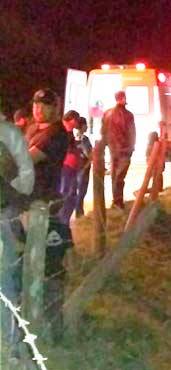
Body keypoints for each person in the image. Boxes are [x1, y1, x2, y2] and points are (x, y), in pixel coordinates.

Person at [26, 88, 73, 340]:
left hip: (43, 207)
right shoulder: (34, 130)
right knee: (25, 264)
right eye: (35, 103)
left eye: (43, 105)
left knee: (49, 267)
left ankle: (53, 330)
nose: (37, 108)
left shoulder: (55, 133)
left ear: (55, 108)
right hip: (26, 205)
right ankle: (27, 322)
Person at [0, 116, 34, 355]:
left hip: (4, 213)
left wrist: (18, 207)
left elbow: (25, 175)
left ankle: (14, 344)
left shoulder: (9, 134)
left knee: (6, 278)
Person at [101, 90, 136, 209]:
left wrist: (105, 144)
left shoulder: (107, 113)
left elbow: (103, 131)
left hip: (113, 149)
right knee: (120, 177)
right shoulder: (128, 115)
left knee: (115, 175)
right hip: (124, 149)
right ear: (122, 98)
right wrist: (131, 147)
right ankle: (118, 201)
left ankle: (116, 200)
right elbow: (132, 133)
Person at [57, 110, 82, 225]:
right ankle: (61, 220)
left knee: (71, 195)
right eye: (76, 121)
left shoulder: (69, 132)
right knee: (66, 195)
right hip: (65, 168)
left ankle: (64, 220)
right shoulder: (61, 131)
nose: (77, 124)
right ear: (72, 120)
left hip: (70, 167)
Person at [74, 117, 93, 217]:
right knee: (82, 191)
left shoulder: (74, 137)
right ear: (83, 126)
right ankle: (79, 212)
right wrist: (91, 158)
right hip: (84, 167)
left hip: (76, 166)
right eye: (86, 124)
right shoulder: (84, 139)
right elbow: (88, 153)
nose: (87, 126)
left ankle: (78, 211)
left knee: (77, 190)